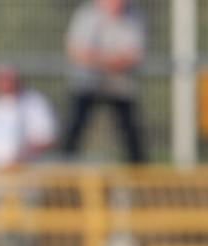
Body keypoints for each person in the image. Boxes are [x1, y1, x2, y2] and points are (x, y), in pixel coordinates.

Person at [62, 0, 147, 163]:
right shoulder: (86, 14)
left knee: (131, 136)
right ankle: (63, 174)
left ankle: (139, 178)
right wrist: (111, 60)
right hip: (87, 83)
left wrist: (96, 60)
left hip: (119, 85)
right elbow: (75, 51)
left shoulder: (134, 16)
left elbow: (132, 57)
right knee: (74, 130)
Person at [0, 65, 57, 169]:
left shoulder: (34, 103)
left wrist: (24, 155)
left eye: (6, 79)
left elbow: (46, 137)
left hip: (28, 170)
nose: (2, 83)